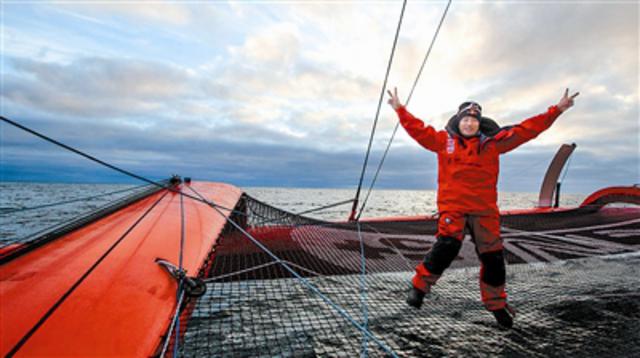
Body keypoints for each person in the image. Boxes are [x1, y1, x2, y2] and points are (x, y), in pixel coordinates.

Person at [387, 87, 579, 328]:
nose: (469, 124)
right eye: (465, 119)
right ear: (458, 121)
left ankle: (497, 305)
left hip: (484, 211)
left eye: (473, 120)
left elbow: (529, 129)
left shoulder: (494, 144)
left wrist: (558, 109)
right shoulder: (442, 141)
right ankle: (418, 288)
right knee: (446, 247)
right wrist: (399, 109)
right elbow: (417, 129)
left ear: (480, 123)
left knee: (494, 260)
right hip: (453, 208)